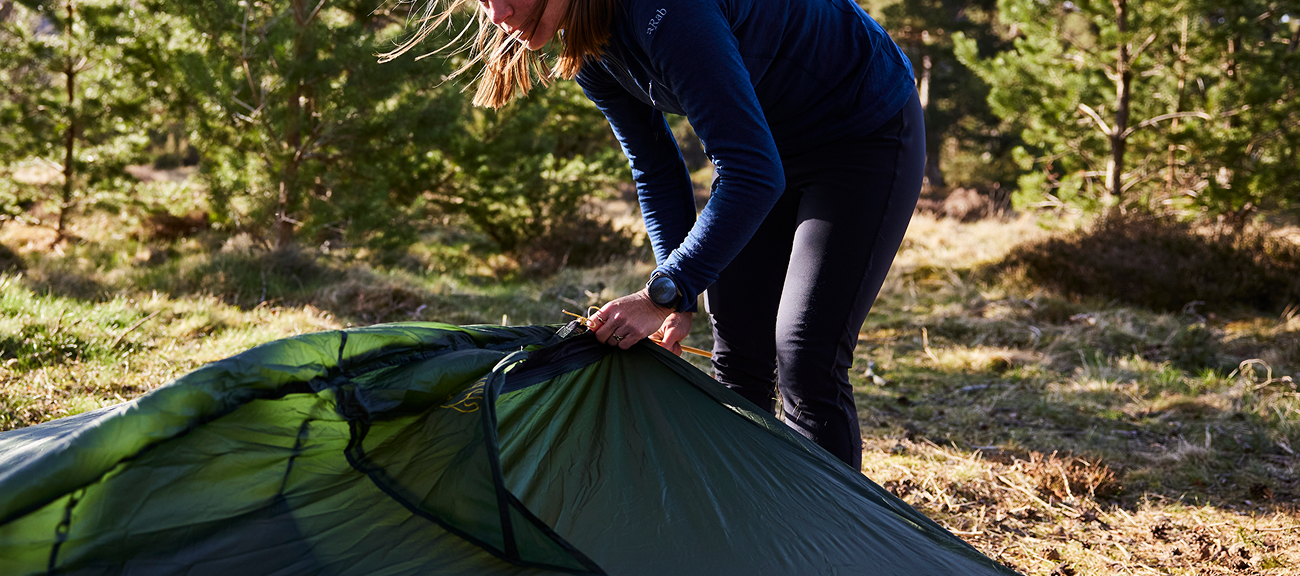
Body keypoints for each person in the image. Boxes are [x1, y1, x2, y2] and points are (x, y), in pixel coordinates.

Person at [391, 0, 924, 470]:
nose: (497, 14)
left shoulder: (668, 9)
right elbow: (655, 165)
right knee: (739, 352)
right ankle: (752, 537)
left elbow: (750, 171)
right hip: (766, 145)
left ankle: (831, 554)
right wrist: (675, 292)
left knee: (805, 353)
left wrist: (663, 290)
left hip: (864, 133)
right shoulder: (587, 41)